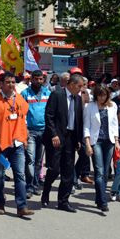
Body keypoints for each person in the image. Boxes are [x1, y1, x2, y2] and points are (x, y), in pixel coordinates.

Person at [0, 72, 34, 217]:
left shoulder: (19, 99)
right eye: (8, 82)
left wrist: (25, 137)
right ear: (1, 84)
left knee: (20, 175)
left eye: (13, 82)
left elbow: (23, 119)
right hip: (1, 144)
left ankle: (21, 207)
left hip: (17, 143)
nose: (11, 84)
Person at [41, 73, 84, 212]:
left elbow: (78, 120)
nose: (81, 89)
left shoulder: (78, 99)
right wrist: (53, 134)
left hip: (71, 139)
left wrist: (78, 139)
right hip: (57, 138)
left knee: (68, 171)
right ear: (71, 84)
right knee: (54, 169)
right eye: (79, 86)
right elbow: (49, 116)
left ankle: (63, 201)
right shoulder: (57, 95)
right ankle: (46, 191)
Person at [83, 85, 119, 212]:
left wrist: (117, 142)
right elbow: (86, 126)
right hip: (96, 141)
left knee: (105, 173)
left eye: (104, 95)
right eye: (99, 95)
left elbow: (115, 125)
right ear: (96, 95)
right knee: (99, 171)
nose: (102, 98)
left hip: (109, 141)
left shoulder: (113, 106)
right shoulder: (89, 107)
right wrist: (87, 144)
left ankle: (99, 198)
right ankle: (103, 201)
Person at [21, 69, 50, 198]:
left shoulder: (48, 93)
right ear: (31, 79)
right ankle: (28, 186)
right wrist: (25, 128)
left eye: (41, 79)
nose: (38, 81)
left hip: (44, 131)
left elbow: (50, 112)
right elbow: (21, 113)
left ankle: (36, 184)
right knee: (30, 160)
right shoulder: (24, 94)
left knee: (38, 161)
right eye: (36, 79)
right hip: (30, 131)